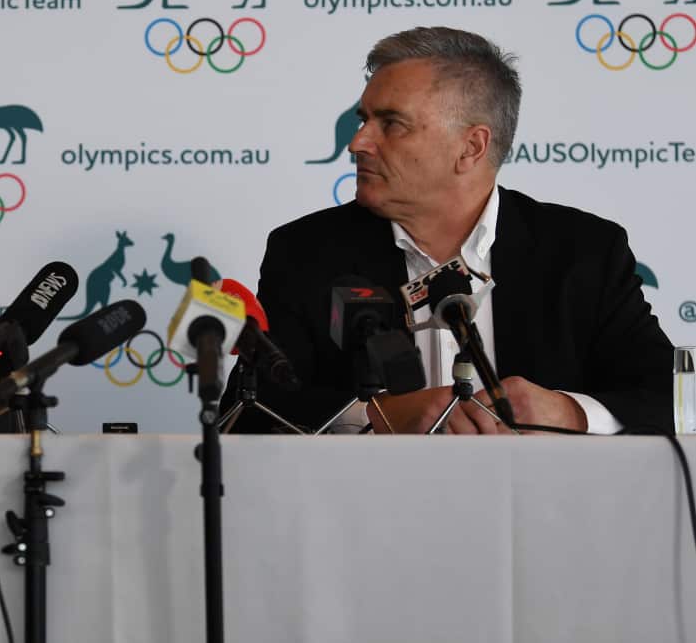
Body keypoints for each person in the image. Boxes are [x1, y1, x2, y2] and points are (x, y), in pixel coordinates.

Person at [227, 26, 673, 435]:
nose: (357, 142)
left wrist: (568, 412)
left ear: (471, 146)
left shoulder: (582, 250)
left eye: (391, 124)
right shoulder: (308, 251)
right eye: (364, 120)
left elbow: (667, 395)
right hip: (367, 512)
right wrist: (376, 415)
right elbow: (248, 408)